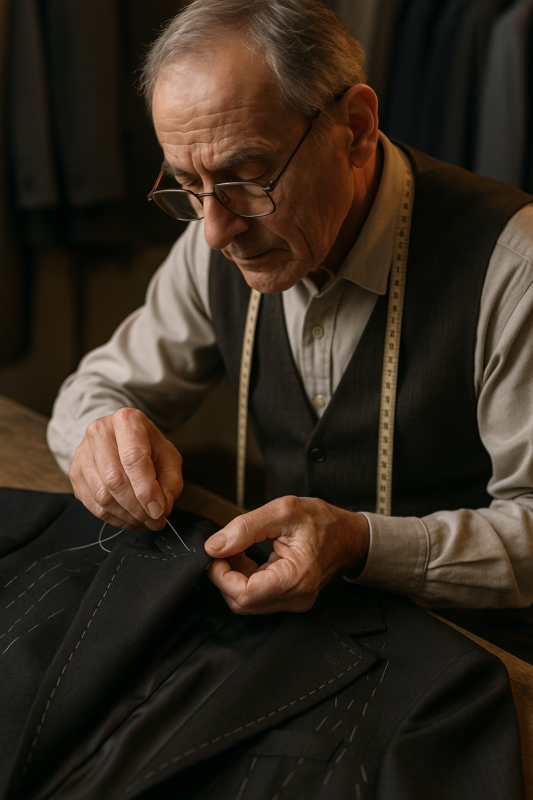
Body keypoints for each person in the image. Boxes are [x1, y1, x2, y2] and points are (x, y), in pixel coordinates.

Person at [48, 0, 533, 618]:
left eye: (248, 177)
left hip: (484, 644)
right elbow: (93, 391)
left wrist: (361, 543)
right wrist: (106, 442)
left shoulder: (513, 270)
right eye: (189, 185)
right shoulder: (217, 233)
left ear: (355, 128)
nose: (215, 233)